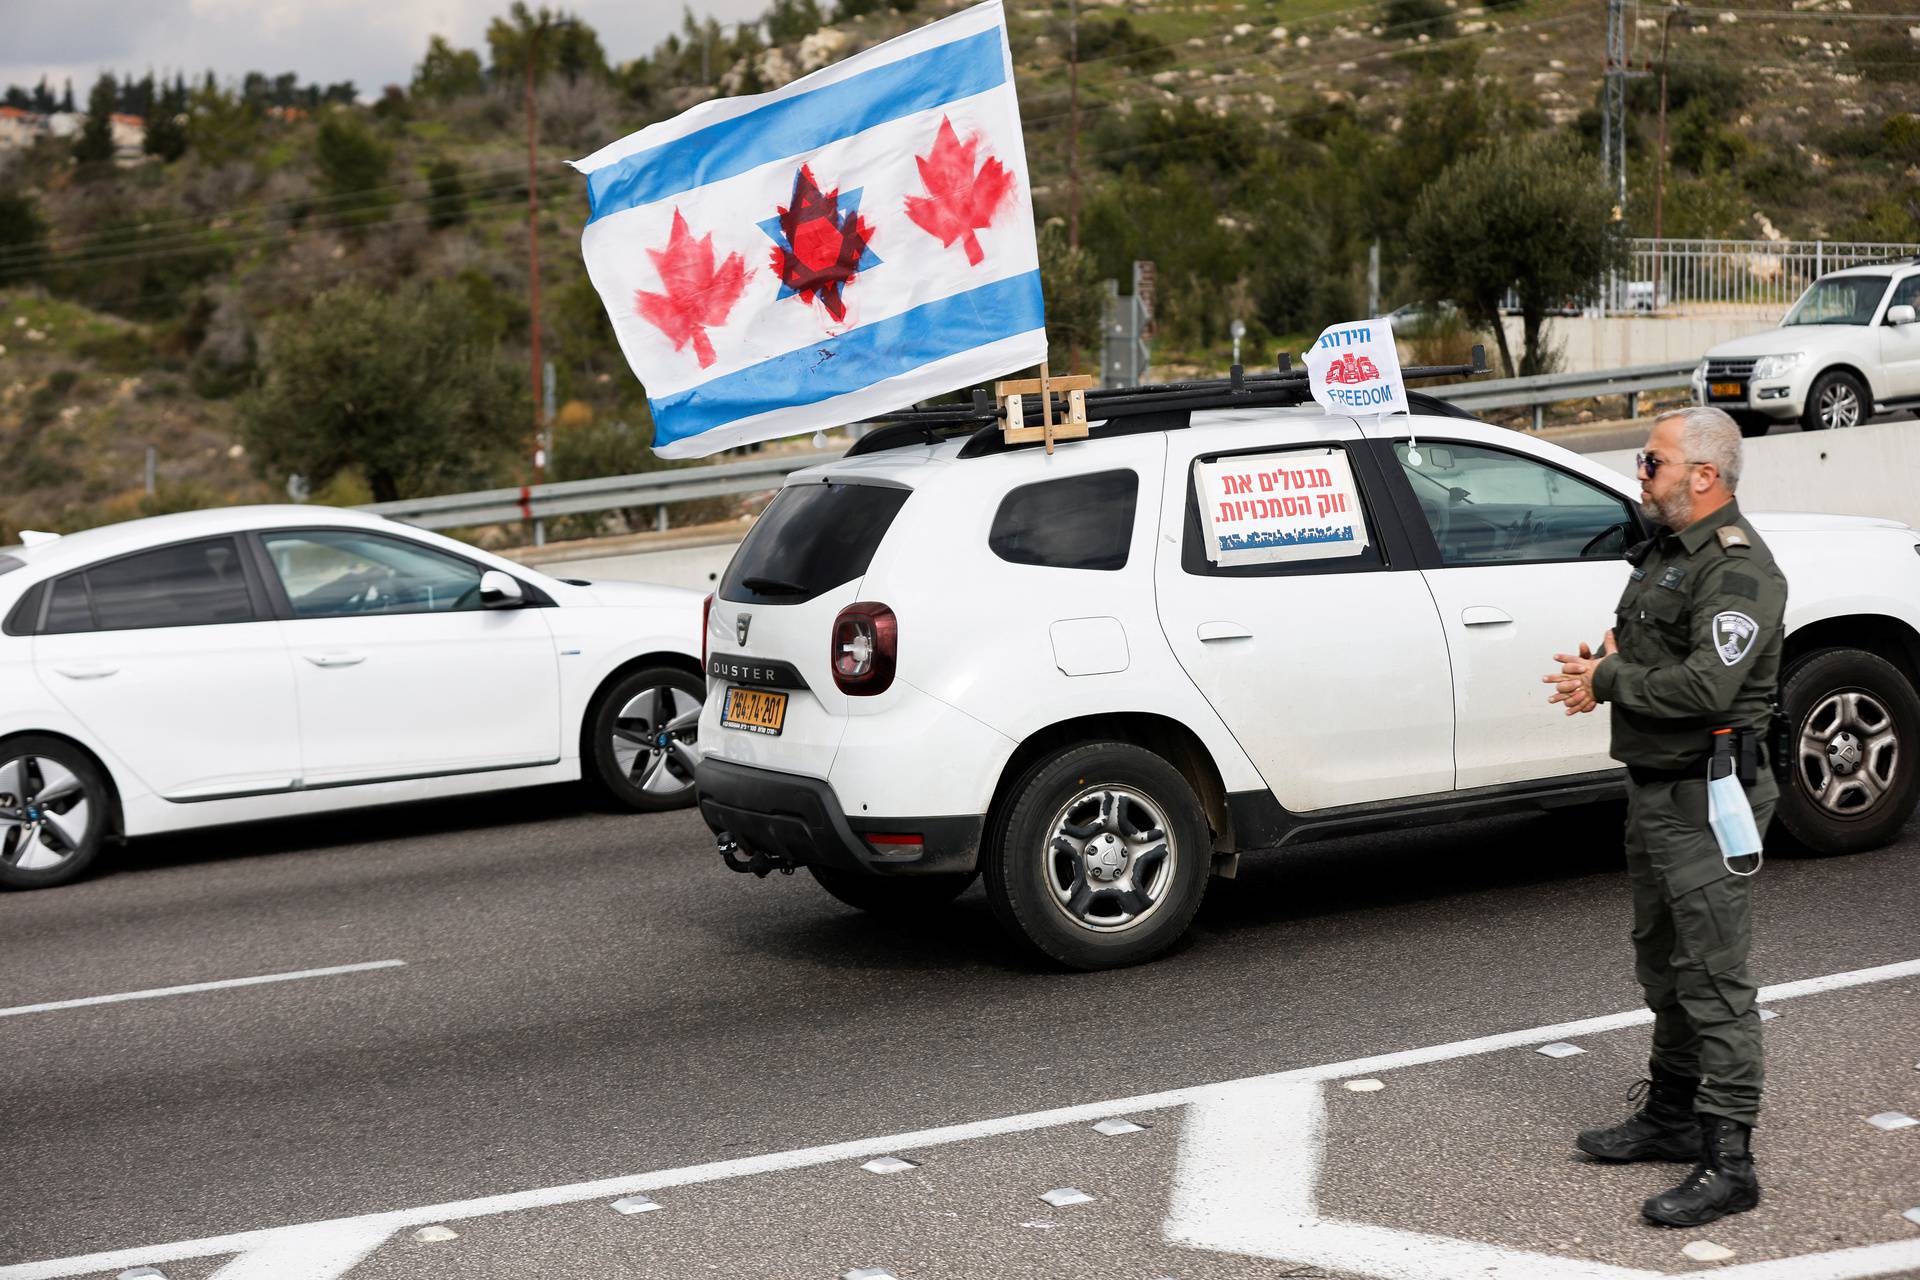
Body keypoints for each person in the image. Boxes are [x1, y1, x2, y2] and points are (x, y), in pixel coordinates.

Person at [1543, 405, 1788, 1228]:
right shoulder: (1665, 555)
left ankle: (1731, 1162)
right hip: (1653, 789)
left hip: (1706, 796)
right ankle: (1673, 1116)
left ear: (1704, 476)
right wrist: (1600, 669)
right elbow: (1639, 649)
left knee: (1714, 979)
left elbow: (1705, 690)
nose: (1639, 475)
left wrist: (1608, 684)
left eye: (1651, 463)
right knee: (1661, 963)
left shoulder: (1740, 571)